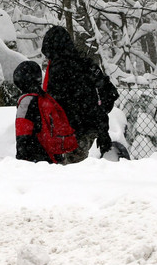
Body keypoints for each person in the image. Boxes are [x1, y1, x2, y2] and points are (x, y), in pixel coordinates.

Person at [41, 26, 116, 163]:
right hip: (88, 126)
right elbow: (110, 92)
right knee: (74, 171)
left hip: (68, 131)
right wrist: (100, 117)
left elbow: (52, 102)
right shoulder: (86, 64)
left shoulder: (57, 69)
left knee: (68, 173)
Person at [13, 61, 52, 163]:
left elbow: (23, 130)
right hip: (50, 153)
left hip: (34, 155)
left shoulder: (26, 101)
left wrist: (21, 157)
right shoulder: (44, 97)